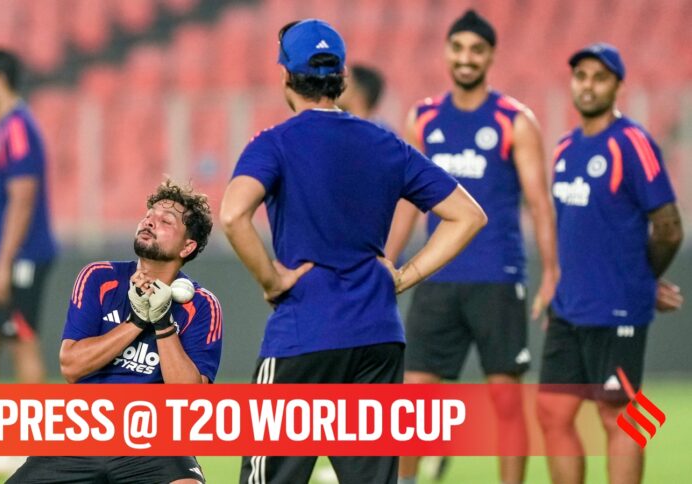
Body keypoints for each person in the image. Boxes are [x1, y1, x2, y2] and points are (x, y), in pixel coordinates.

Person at [220, 19, 486, 484]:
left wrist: (272, 279)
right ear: (343, 78)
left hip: (303, 335)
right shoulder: (386, 144)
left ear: (285, 76)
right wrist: (404, 275)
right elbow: (468, 215)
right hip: (377, 338)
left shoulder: (274, 143)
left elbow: (232, 215)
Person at [387, 10, 559, 484]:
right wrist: (388, 260)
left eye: (476, 50)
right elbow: (406, 202)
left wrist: (551, 273)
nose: (466, 58)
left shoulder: (515, 121)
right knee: (413, 400)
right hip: (435, 275)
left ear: (491, 56)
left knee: (506, 401)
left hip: (497, 277)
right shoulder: (424, 118)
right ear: (447, 52)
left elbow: (539, 203)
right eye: (459, 48)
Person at [8, 179, 220, 484]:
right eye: (149, 215)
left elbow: (190, 403)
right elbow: (71, 367)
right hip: (83, 429)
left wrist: (162, 322)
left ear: (187, 246)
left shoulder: (202, 306)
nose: (149, 222)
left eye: (165, 221)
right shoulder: (99, 277)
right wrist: (136, 322)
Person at [537, 43, 682, 484]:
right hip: (569, 307)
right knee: (552, 412)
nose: (588, 85)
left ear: (618, 85)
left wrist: (642, 280)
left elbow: (669, 228)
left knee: (617, 414)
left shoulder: (632, 143)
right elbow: (572, 228)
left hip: (616, 308)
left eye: (599, 77)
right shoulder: (564, 148)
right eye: (581, 76)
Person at [0, 49, 57, 384]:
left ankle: (35, 419)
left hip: (23, 255)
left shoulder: (17, 129)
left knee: (21, 341)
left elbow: (22, 199)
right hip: (0, 255)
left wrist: (4, 263)